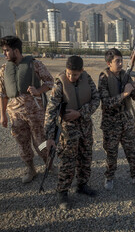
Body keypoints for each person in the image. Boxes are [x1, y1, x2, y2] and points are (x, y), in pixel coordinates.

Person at [44, 56, 100, 210]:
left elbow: (96, 100)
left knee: (85, 157)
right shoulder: (60, 84)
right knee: (68, 161)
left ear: (81, 71)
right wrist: (49, 137)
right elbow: (50, 112)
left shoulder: (87, 79)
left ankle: (82, 185)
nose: (71, 77)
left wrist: (80, 113)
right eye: (69, 73)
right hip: (68, 130)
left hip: (86, 127)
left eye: (74, 74)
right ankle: (62, 192)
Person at [0, 36, 54, 184]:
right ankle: (30, 169)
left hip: (35, 113)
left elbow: (49, 81)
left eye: (6, 51)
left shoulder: (35, 64)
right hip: (15, 115)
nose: (4, 54)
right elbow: (2, 94)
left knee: (41, 142)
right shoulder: (4, 69)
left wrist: (38, 90)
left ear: (16, 50)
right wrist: (3, 115)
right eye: (3, 51)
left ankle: (50, 164)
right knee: (22, 143)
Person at [98, 48, 135, 191]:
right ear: (109, 63)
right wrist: (124, 94)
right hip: (110, 123)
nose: (120, 64)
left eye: (121, 60)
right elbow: (106, 103)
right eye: (117, 61)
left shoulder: (126, 76)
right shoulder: (104, 78)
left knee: (131, 150)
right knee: (111, 152)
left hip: (127, 120)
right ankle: (109, 177)